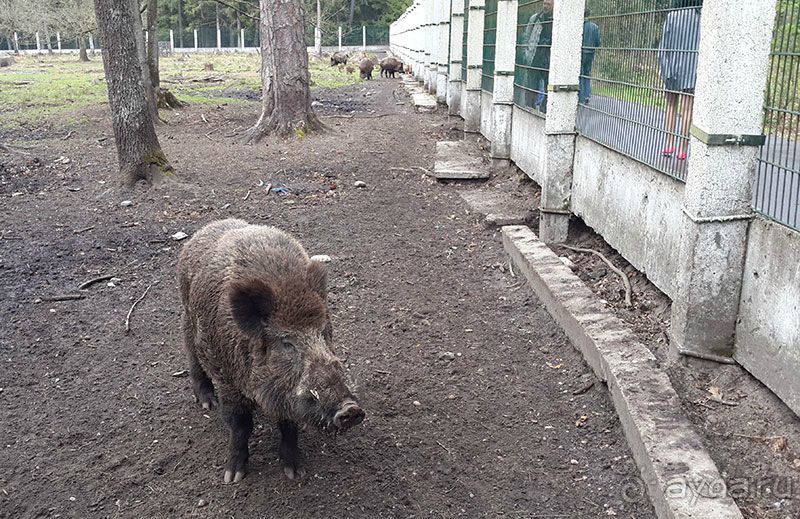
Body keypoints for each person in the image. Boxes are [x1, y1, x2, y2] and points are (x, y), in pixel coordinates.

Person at [659, 0, 703, 160]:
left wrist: (666, 70)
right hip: (691, 70)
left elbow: (662, 48)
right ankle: (683, 148)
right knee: (687, 110)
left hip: (672, 68)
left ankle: (669, 144)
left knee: (670, 106)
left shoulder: (671, 16)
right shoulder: (700, 19)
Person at [520, 0, 553, 113]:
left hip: (549, 59)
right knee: (531, 86)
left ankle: (546, 110)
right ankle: (529, 109)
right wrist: (526, 52)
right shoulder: (535, 18)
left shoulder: (558, 20)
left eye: (548, 4)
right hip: (534, 57)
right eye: (544, 3)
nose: (545, 6)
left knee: (550, 87)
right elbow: (527, 35)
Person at [579, 9, 601, 104]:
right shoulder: (594, 27)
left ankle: (580, 96)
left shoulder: (579, 26)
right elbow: (598, 43)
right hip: (590, 53)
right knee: (587, 74)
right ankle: (587, 95)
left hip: (580, 52)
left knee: (579, 74)